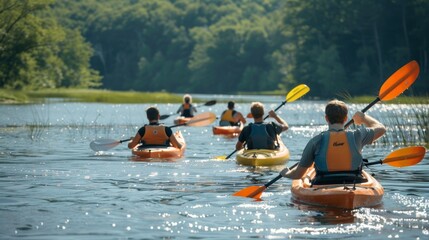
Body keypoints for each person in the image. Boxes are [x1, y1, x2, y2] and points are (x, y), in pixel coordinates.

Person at [280, 99, 386, 184]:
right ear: (345, 118)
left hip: (323, 182)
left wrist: (286, 173)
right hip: (354, 181)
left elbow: (298, 175)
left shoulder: (316, 141)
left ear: (326, 118)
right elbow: (381, 128)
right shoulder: (357, 135)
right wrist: (363, 118)